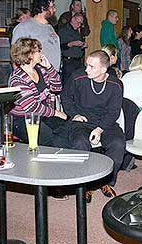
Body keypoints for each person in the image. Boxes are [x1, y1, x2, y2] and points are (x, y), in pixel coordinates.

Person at [59, 50, 125, 199]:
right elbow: (65, 96)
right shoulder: (78, 77)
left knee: (117, 144)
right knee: (80, 143)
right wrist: (74, 114)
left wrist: (100, 128)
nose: (87, 69)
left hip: (105, 122)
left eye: (91, 67)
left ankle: (105, 181)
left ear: (103, 69)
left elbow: (114, 111)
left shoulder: (116, 84)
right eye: (86, 65)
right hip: (82, 121)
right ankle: (85, 184)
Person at [8, 38, 67, 146]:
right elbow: (31, 107)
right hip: (22, 119)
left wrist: (49, 67)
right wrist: (56, 113)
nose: (41, 53)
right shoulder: (17, 79)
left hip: (43, 114)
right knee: (50, 139)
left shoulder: (41, 69)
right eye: (38, 51)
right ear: (29, 54)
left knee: (66, 131)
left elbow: (57, 87)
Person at [12, 0, 61, 71]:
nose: (54, 10)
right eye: (52, 7)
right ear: (42, 8)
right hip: (35, 78)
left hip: (52, 76)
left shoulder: (50, 27)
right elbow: (16, 57)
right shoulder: (24, 27)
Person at [58, 13, 86, 84]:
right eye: (78, 22)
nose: (79, 25)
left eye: (81, 23)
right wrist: (72, 43)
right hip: (69, 61)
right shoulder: (64, 30)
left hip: (79, 60)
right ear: (73, 19)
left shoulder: (78, 31)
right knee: (67, 83)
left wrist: (83, 45)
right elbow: (61, 46)